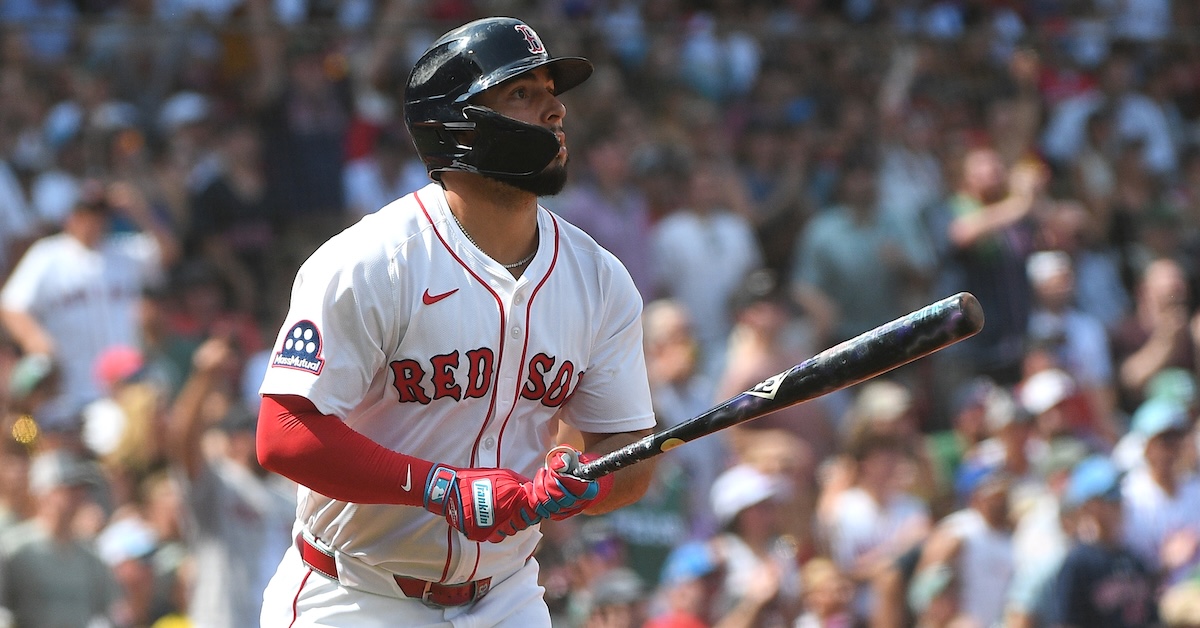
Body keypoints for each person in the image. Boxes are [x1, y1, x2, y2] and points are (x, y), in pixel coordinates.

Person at [254, 17, 658, 626]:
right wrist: (440, 486)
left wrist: (586, 483)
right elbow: (283, 430)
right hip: (358, 592)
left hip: (506, 593)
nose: (554, 111)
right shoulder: (373, 262)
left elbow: (627, 449)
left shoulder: (599, 280)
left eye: (552, 91)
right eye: (522, 94)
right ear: (458, 126)